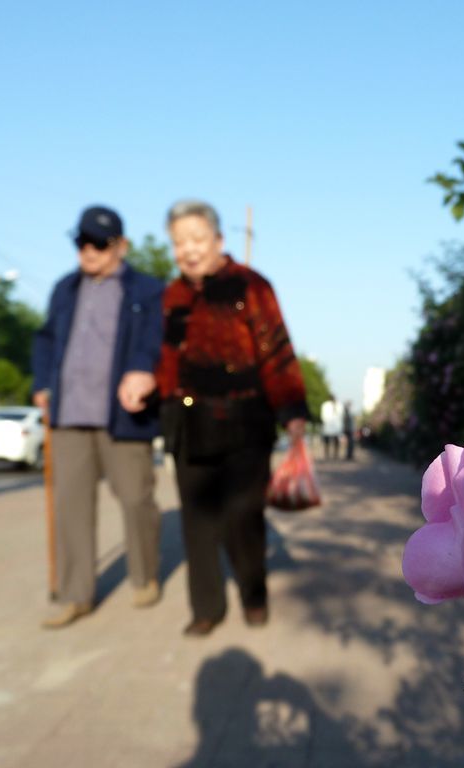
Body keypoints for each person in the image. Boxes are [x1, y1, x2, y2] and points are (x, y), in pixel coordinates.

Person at [156, 199, 309, 637]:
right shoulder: (172, 295)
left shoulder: (251, 285)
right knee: (197, 520)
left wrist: (291, 409)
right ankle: (206, 608)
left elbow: (275, 347)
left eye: (196, 239)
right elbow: (166, 358)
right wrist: (151, 390)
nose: (188, 250)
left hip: (245, 419)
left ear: (218, 240)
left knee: (244, 515)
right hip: (189, 422)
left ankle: (253, 594)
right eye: (179, 242)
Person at [32, 205, 165, 629]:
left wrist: (143, 370)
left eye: (98, 243)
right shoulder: (65, 288)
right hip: (69, 414)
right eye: (82, 242)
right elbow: (45, 339)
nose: (88, 251)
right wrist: (41, 382)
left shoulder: (148, 290)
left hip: (123, 416)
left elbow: (156, 340)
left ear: (120, 246)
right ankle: (76, 594)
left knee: (136, 499)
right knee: (70, 507)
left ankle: (144, 575)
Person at [319, 396, 343, 460]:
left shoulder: (338, 405)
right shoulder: (326, 405)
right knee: (330, 441)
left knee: (333, 441)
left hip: (334, 426)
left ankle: (333, 454)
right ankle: (330, 454)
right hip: (330, 426)